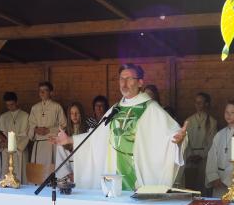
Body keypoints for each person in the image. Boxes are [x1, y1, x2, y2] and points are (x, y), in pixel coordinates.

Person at [50, 63, 188, 192]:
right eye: (121, 79)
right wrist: (69, 140)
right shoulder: (115, 109)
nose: (124, 83)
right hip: (113, 175)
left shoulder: (150, 108)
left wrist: (179, 140)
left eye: (129, 79)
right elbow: (96, 137)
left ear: (140, 82)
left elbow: (171, 135)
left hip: (137, 174)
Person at [180, 92, 218, 193]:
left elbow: (212, 142)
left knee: (202, 186)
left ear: (206, 104)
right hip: (190, 158)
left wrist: (201, 156)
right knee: (190, 187)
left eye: (200, 102)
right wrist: (191, 155)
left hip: (205, 159)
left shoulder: (212, 122)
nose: (197, 105)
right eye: (196, 102)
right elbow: (185, 141)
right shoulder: (188, 121)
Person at [28, 81, 66, 166]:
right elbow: (31, 125)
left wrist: (49, 130)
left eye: (45, 90)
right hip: (39, 144)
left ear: (51, 92)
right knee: (38, 171)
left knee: (50, 169)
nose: (42, 92)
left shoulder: (57, 107)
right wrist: (35, 130)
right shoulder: (34, 108)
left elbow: (63, 125)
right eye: (40, 90)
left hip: (51, 143)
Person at [0, 92, 30, 183]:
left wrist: (11, 143)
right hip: (6, 151)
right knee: (5, 175)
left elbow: (26, 135)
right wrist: (1, 143)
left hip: (19, 151)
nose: (10, 107)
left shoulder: (25, 116)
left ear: (17, 102)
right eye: (7, 105)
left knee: (20, 177)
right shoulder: (3, 117)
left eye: (12, 104)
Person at [55, 102, 87, 181]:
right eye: (72, 113)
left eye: (77, 113)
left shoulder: (87, 132)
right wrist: (68, 174)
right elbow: (60, 157)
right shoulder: (63, 134)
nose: (74, 116)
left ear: (81, 114)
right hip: (68, 174)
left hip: (84, 172)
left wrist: (81, 173)